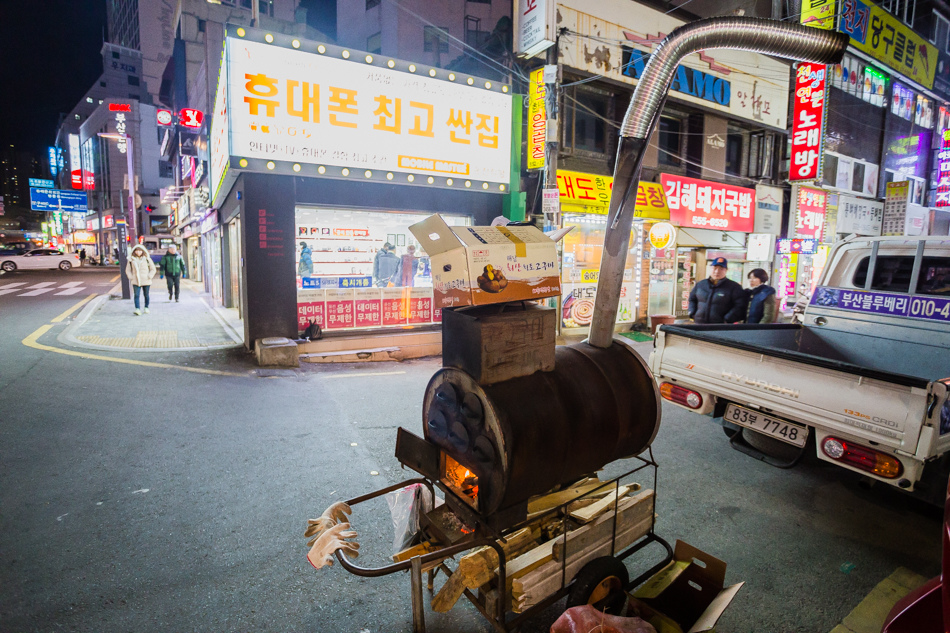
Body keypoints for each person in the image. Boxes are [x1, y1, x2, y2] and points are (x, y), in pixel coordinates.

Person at [688, 257, 747, 324]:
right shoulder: (701, 284)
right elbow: (692, 299)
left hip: (720, 326)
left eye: (721, 269)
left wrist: (728, 319)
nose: (717, 271)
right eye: (715, 268)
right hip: (699, 323)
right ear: (710, 268)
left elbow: (740, 306)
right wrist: (692, 312)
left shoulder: (734, 287)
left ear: (726, 270)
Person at [126, 244, 157, 316]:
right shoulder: (131, 260)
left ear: (143, 251)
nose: (138, 252)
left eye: (140, 251)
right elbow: (128, 270)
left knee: (146, 294)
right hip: (136, 280)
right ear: (134, 251)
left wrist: (149, 276)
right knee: (136, 295)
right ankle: (137, 309)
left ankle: (146, 307)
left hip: (146, 280)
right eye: (137, 251)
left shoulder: (147, 259)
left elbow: (153, 269)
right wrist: (131, 277)